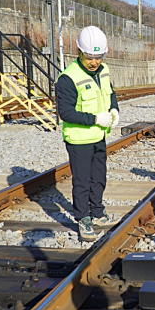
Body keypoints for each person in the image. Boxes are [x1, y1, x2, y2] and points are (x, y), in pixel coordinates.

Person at [56, 26, 120, 242]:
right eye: (89, 57)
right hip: (79, 139)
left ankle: (98, 212)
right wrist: (94, 119)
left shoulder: (104, 70)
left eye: (98, 57)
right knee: (82, 181)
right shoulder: (68, 78)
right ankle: (83, 219)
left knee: (99, 178)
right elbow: (65, 113)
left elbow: (110, 93)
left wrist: (114, 109)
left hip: (99, 136)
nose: (94, 62)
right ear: (79, 52)